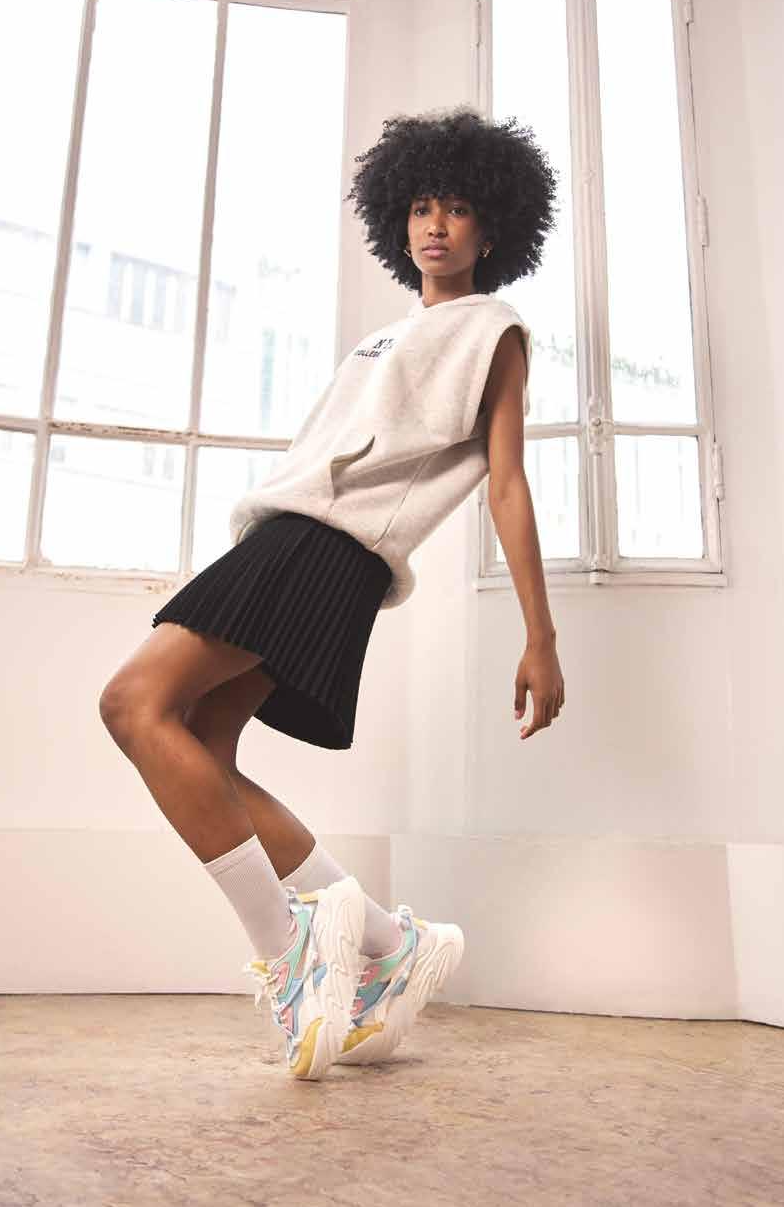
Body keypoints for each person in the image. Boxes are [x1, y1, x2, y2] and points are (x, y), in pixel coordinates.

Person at [98, 105, 565, 1081]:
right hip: (292, 540)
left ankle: (292, 951)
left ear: (492, 228)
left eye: (458, 208)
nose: (435, 225)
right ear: (399, 219)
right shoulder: (381, 341)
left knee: (133, 704)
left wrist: (541, 636)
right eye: (421, 207)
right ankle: (390, 944)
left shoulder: (494, 329)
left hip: (325, 548)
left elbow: (508, 484)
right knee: (200, 745)